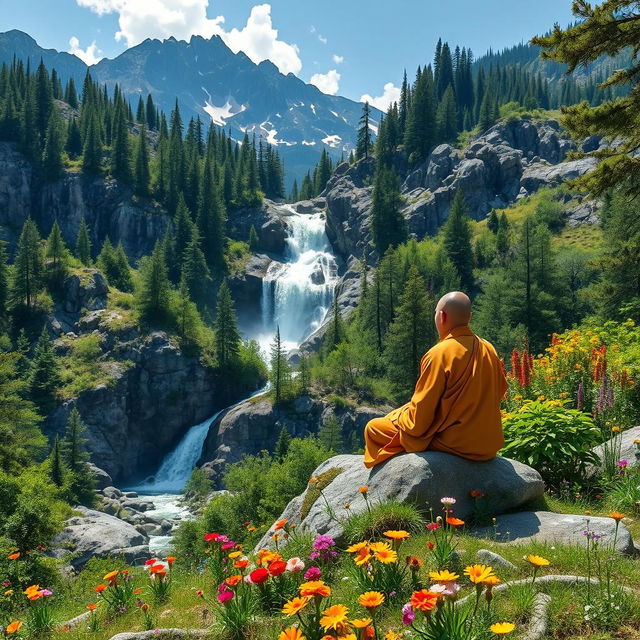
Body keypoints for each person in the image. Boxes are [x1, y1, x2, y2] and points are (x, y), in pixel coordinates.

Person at [363, 291, 507, 468]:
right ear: (469, 317)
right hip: (488, 444)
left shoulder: (439, 354)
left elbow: (419, 422)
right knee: (400, 412)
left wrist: (398, 418)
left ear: (442, 316)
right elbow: (499, 391)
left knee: (374, 427)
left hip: (455, 444)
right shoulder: (488, 348)